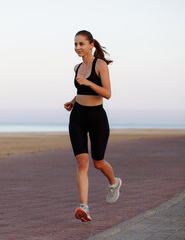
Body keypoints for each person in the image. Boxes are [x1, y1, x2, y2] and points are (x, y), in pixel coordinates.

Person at [64, 30, 122, 222]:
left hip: (97, 118)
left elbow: (107, 93)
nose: (77, 48)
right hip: (78, 117)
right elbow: (81, 90)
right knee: (82, 162)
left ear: (91, 45)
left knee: (98, 162)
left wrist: (88, 83)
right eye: (75, 44)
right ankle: (84, 207)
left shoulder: (101, 65)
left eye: (81, 44)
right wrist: (73, 101)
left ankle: (114, 183)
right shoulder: (77, 67)